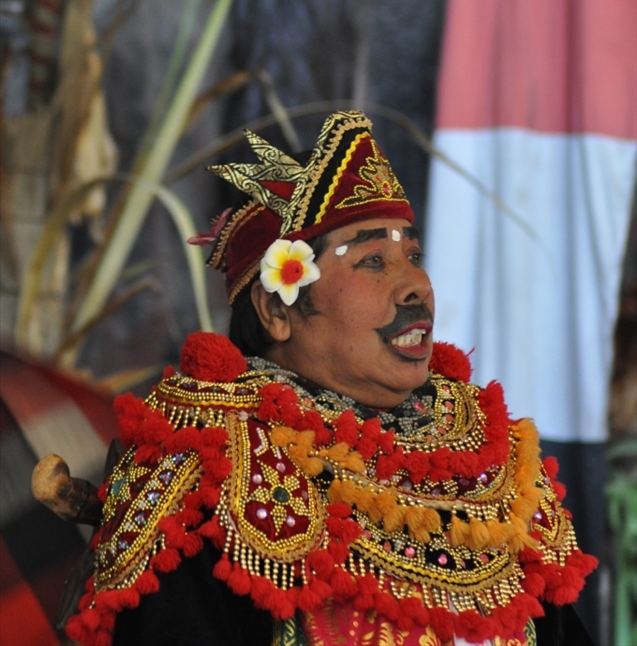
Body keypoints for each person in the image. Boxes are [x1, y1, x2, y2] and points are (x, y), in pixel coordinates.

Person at [66, 111, 597, 646]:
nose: (416, 285)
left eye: (413, 255)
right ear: (277, 308)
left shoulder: (490, 460)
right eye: (372, 261)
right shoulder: (210, 465)